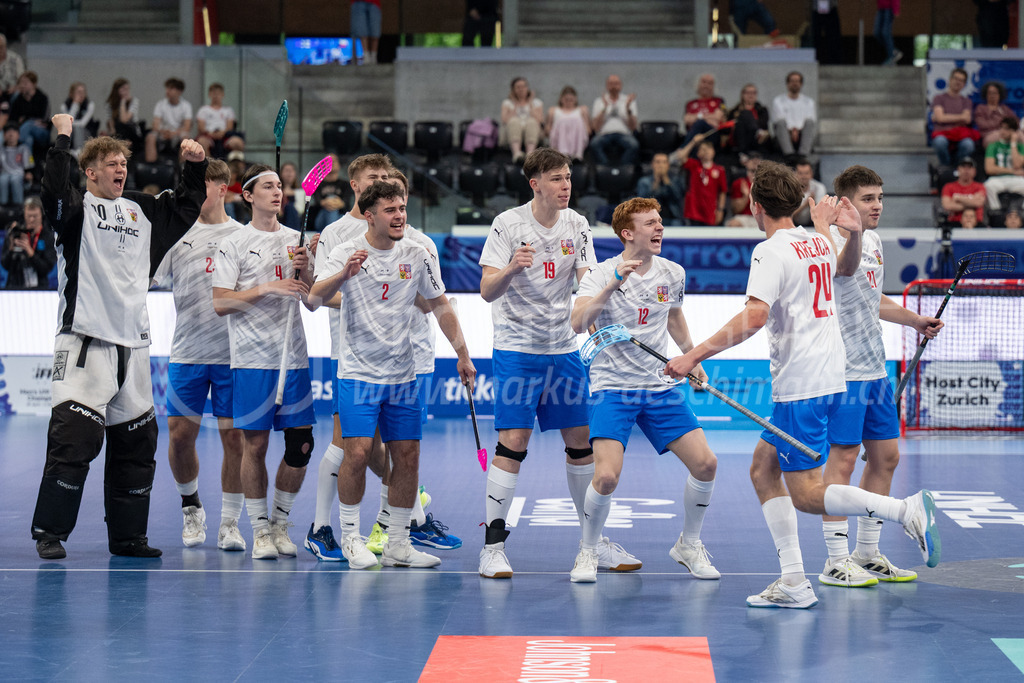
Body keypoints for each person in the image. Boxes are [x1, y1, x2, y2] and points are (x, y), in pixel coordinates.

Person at [664, 161, 941, 608]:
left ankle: (903, 511)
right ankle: (793, 581)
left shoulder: (770, 251)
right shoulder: (815, 240)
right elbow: (845, 273)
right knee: (762, 467)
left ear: (755, 207)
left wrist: (692, 356)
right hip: (832, 376)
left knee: (808, 494)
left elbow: (754, 318)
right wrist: (847, 234)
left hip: (802, 384)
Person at [30, 113, 207, 560]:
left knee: (137, 445)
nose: (120, 168)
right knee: (74, 441)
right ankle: (49, 533)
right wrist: (63, 138)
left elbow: (186, 206)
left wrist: (194, 166)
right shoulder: (74, 210)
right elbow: (52, 189)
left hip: (134, 348)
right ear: (89, 173)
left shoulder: (142, 209)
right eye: (110, 163)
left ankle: (128, 538)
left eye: (123, 162)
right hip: (83, 343)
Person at [477, 147, 639, 579]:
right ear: (535, 184)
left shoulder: (578, 224)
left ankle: (593, 542)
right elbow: (486, 290)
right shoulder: (507, 224)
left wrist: (605, 293)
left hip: (565, 348)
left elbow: (586, 278)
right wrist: (512, 267)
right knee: (514, 440)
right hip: (517, 348)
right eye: (556, 179)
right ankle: (492, 547)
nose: (565, 186)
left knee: (582, 441)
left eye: (567, 178)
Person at [568, 196, 719, 583]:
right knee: (606, 477)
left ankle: (689, 543)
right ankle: (587, 551)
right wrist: (612, 286)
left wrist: (692, 358)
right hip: (612, 388)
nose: (659, 228)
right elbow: (577, 321)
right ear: (627, 233)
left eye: (659, 220)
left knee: (706, 464)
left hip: (658, 385)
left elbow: (674, 317)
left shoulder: (672, 272)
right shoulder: (601, 274)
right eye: (650, 223)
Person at [309, 180, 457, 569]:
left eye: (403, 208)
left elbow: (440, 306)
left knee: (407, 458)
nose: (400, 216)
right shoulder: (345, 252)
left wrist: (462, 353)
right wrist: (344, 274)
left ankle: (398, 543)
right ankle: (353, 538)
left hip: (403, 376)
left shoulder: (417, 253)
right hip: (358, 373)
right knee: (356, 454)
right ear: (369, 215)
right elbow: (312, 300)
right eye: (391, 210)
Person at [819, 165, 944, 589]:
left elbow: (873, 297)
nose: (878, 206)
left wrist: (912, 320)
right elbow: (845, 273)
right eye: (868, 198)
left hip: (875, 368)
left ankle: (867, 553)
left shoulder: (872, 240)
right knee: (845, 459)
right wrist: (850, 234)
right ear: (846, 203)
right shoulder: (825, 241)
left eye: (880, 198)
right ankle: (836, 561)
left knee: (886, 458)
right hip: (843, 371)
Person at [211, 163, 317, 560]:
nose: (277, 192)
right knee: (254, 446)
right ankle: (258, 531)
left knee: (301, 446)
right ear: (248, 195)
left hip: (293, 359)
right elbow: (221, 302)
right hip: (253, 360)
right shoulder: (234, 243)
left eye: (280, 186)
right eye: (268, 186)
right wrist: (270, 287)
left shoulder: (298, 240)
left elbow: (311, 301)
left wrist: (307, 273)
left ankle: (281, 524)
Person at [150, 158, 247, 551]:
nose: (192, 193)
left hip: (233, 354)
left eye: (201, 186)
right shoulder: (176, 235)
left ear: (222, 189)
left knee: (234, 440)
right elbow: (146, 280)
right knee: (179, 437)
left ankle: (229, 522)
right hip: (188, 352)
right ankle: (191, 507)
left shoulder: (243, 236)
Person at [304, 153, 390, 561]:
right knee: (346, 443)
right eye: (374, 177)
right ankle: (322, 527)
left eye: (386, 176)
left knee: (378, 446)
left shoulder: (396, 226)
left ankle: (407, 514)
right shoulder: (336, 234)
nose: (382, 181)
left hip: (392, 358)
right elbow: (319, 296)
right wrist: (364, 298)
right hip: (351, 355)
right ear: (354, 186)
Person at [673, 132, 727, 226]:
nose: (706, 151)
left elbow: (722, 191)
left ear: (714, 151)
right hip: (694, 210)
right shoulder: (694, 165)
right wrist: (693, 142)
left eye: (708, 148)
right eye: (702, 149)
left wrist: (720, 209)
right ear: (698, 153)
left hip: (710, 210)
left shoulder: (720, 170)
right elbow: (681, 157)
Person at [2, 195, 55, 289]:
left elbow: (46, 268)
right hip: (14, 285)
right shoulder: (16, 233)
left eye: (35, 216)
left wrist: (30, 252)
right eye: (29, 216)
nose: (31, 219)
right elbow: (5, 265)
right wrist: (10, 249)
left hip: (39, 288)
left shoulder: (48, 236)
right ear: (24, 214)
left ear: (41, 215)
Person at [930, 68, 978, 168]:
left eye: (961, 80)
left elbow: (967, 119)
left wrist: (945, 117)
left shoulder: (966, 101)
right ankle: (946, 167)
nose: (958, 82)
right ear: (950, 79)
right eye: (956, 78)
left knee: (968, 145)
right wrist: (960, 117)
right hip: (942, 133)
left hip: (961, 134)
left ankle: (957, 168)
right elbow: (940, 118)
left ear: (964, 84)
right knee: (940, 142)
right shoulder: (939, 98)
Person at [589, 74, 639, 167]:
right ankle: (605, 169)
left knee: (634, 145)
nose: (614, 86)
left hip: (624, 134)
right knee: (594, 144)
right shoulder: (599, 101)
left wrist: (628, 109)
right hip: (604, 134)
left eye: (616, 84)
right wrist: (604, 108)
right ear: (607, 86)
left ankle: (623, 169)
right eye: (611, 84)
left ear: (621, 85)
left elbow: (633, 127)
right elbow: (595, 127)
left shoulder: (628, 101)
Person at [145, 77, 193, 163]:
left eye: (171, 88)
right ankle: (151, 166)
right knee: (150, 137)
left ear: (179, 91)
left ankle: (183, 166)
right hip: (163, 133)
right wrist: (163, 132)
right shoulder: (160, 104)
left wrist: (174, 133)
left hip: (178, 134)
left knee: (186, 138)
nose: (167, 91)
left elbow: (187, 127)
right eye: (167, 88)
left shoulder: (186, 106)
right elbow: (155, 125)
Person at [983, 117, 1024, 212]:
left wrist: (1013, 143)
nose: (1002, 131)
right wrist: (1013, 171)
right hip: (998, 178)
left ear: (1014, 132)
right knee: (988, 186)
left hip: (1016, 180)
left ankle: (1022, 214)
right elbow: (989, 169)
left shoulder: (1020, 146)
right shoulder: (993, 145)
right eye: (1001, 128)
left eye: (1006, 129)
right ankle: (996, 213)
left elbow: (1017, 164)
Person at [771, 71, 817, 157]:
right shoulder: (778, 101)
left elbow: (811, 119)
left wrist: (796, 131)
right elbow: (777, 120)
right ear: (787, 84)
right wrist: (792, 131)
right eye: (792, 81)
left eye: (797, 81)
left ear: (801, 84)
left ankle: (803, 155)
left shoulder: (809, 102)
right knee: (780, 123)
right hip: (785, 135)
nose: (795, 84)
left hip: (802, 135)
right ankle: (789, 155)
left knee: (809, 122)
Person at [195, 83, 244, 160]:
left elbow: (230, 127)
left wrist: (222, 133)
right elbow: (201, 128)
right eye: (213, 93)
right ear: (209, 94)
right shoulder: (203, 110)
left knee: (238, 142)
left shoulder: (228, 110)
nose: (216, 96)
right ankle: (209, 166)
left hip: (224, 136)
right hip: (208, 135)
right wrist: (210, 133)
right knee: (202, 142)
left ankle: (234, 168)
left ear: (222, 95)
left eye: (218, 93)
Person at [501, 77, 544, 163]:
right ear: (513, 90)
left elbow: (540, 121)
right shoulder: (507, 103)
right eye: (518, 87)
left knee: (532, 122)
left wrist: (530, 102)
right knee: (514, 121)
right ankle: (516, 154)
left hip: (532, 132)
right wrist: (515, 103)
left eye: (523, 86)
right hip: (512, 132)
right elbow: (505, 120)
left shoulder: (537, 103)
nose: (521, 89)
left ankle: (530, 154)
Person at [635, 152, 685, 225]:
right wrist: (656, 182)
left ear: (668, 165)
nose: (661, 165)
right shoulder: (644, 182)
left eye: (664, 162)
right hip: (651, 219)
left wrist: (666, 180)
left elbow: (678, 197)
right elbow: (643, 203)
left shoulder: (675, 180)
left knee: (678, 224)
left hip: (673, 218)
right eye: (658, 162)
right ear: (652, 164)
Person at [546, 85, 590, 162]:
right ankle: (563, 154)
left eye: (571, 100)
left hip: (577, 137)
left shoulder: (582, 110)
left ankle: (578, 155)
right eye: (566, 100)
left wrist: (572, 126)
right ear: (561, 99)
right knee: (562, 121)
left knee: (578, 121)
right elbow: (547, 131)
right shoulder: (553, 110)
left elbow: (588, 131)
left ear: (575, 100)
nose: (568, 102)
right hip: (558, 138)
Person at [9, 71, 50, 154]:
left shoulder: (42, 98)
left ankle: (13, 143)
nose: (22, 85)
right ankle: (28, 165)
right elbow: (13, 118)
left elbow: (43, 119)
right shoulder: (18, 99)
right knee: (28, 139)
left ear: (34, 84)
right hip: (24, 130)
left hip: (41, 132)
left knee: (29, 124)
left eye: (25, 83)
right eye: (20, 83)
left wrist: (25, 119)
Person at [726, 83, 771, 155]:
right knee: (744, 115)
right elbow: (727, 128)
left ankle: (743, 153)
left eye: (754, 93)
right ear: (742, 94)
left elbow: (764, 124)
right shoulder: (734, 111)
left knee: (746, 116)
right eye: (748, 93)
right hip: (739, 138)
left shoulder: (762, 110)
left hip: (757, 140)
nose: (751, 95)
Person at [940, 157, 986, 226]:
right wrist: (972, 203)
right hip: (954, 222)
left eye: (969, 167)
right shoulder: (948, 187)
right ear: (958, 170)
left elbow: (979, 203)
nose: (966, 170)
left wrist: (958, 198)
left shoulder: (980, 187)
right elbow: (947, 206)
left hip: (976, 223)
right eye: (963, 167)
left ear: (974, 171)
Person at [683, 73, 726, 146]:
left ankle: (682, 150)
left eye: (710, 83)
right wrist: (709, 118)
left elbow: (717, 119)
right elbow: (687, 120)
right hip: (694, 135)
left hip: (711, 135)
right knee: (699, 124)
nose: (706, 85)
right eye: (704, 82)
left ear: (714, 87)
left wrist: (696, 118)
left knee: (700, 123)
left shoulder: (719, 101)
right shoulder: (690, 103)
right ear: (698, 84)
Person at [104, 78, 144, 153]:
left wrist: (123, 102)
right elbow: (111, 122)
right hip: (119, 132)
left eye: (127, 89)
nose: (126, 91)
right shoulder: (110, 103)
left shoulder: (134, 101)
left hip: (132, 131)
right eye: (124, 89)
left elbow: (124, 119)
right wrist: (113, 136)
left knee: (121, 124)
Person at [974, 82, 1017, 148]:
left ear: (1000, 95)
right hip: (989, 135)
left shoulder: (1004, 108)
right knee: (994, 139)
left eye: (995, 93)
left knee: (1019, 135)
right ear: (986, 95)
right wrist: (1001, 121)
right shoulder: (981, 108)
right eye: (990, 93)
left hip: (1007, 134)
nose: (992, 95)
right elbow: (982, 125)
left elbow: (1015, 122)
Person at [726, 152, 762, 227]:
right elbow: (735, 209)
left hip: (762, 217)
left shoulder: (766, 183)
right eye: (752, 159)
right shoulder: (739, 183)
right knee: (733, 224)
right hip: (744, 217)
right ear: (746, 163)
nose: (755, 161)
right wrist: (746, 196)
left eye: (757, 159)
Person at [60, 82, 98, 153]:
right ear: (72, 93)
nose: (81, 95)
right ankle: (63, 151)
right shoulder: (65, 106)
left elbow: (82, 124)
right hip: (71, 133)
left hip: (86, 134)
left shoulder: (90, 105)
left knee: (78, 128)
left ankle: (79, 151)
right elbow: (67, 122)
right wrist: (75, 104)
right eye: (79, 92)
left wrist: (71, 123)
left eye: (83, 92)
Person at [312, 153, 346, 231]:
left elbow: (346, 203)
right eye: (327, 161)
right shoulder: (317, 184)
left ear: (339, 165)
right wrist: (328, 203)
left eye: (334, 161)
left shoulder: (345, 185)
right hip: (321, 219)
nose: (331, 163)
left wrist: (331, 202)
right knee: (331, 202)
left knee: (332, 202)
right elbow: (318, 202)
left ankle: (330, 235)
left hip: (341, 217)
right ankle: (332, 235)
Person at [0, 123, 30, 206]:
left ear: (18, 135)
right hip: (4, 173)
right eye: (8, 132)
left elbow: (28, 164)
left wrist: (28, 173)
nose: (11, 134)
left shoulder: (24, 148)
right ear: (4, 135)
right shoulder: (1, 149)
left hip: (18, 173)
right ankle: (3, 205)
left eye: (13, 132)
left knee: (15, 180)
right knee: (3, 180)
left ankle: (19, 205)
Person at [792, 157, 827, 227]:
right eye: (800, 173)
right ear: (795, 174)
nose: (803, 176)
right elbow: (788, 216)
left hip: (813, 225)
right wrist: (806, 204)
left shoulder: (819, 187)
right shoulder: (790, 189)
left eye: (806, 173)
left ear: (811, 174)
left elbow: (822, 215)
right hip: (793, 224)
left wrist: (813, 205)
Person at [811, 0, 843, 65]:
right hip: (816, 8)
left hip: (831, 7)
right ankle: (815, 59)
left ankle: (835, 61)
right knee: (816, 37)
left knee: (833, 38)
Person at [351, 0, 382, 65]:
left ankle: (373, 56)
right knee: (362, 29)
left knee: (375, 30)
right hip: (358, 2)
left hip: (375, 2)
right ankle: (366, 55)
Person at [875, 0, 902, 65]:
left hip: (889, 9)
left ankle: (891, 57)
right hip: (880, 8)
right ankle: (893, 51)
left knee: (885, 33)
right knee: (877, 33)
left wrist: (896, 9)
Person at [0, 35, 25, 102]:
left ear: (5, 46)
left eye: (1, 47)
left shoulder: (16, 59)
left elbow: (22, 79)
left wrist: (15, 88)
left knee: (19, 94)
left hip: (12, 91)